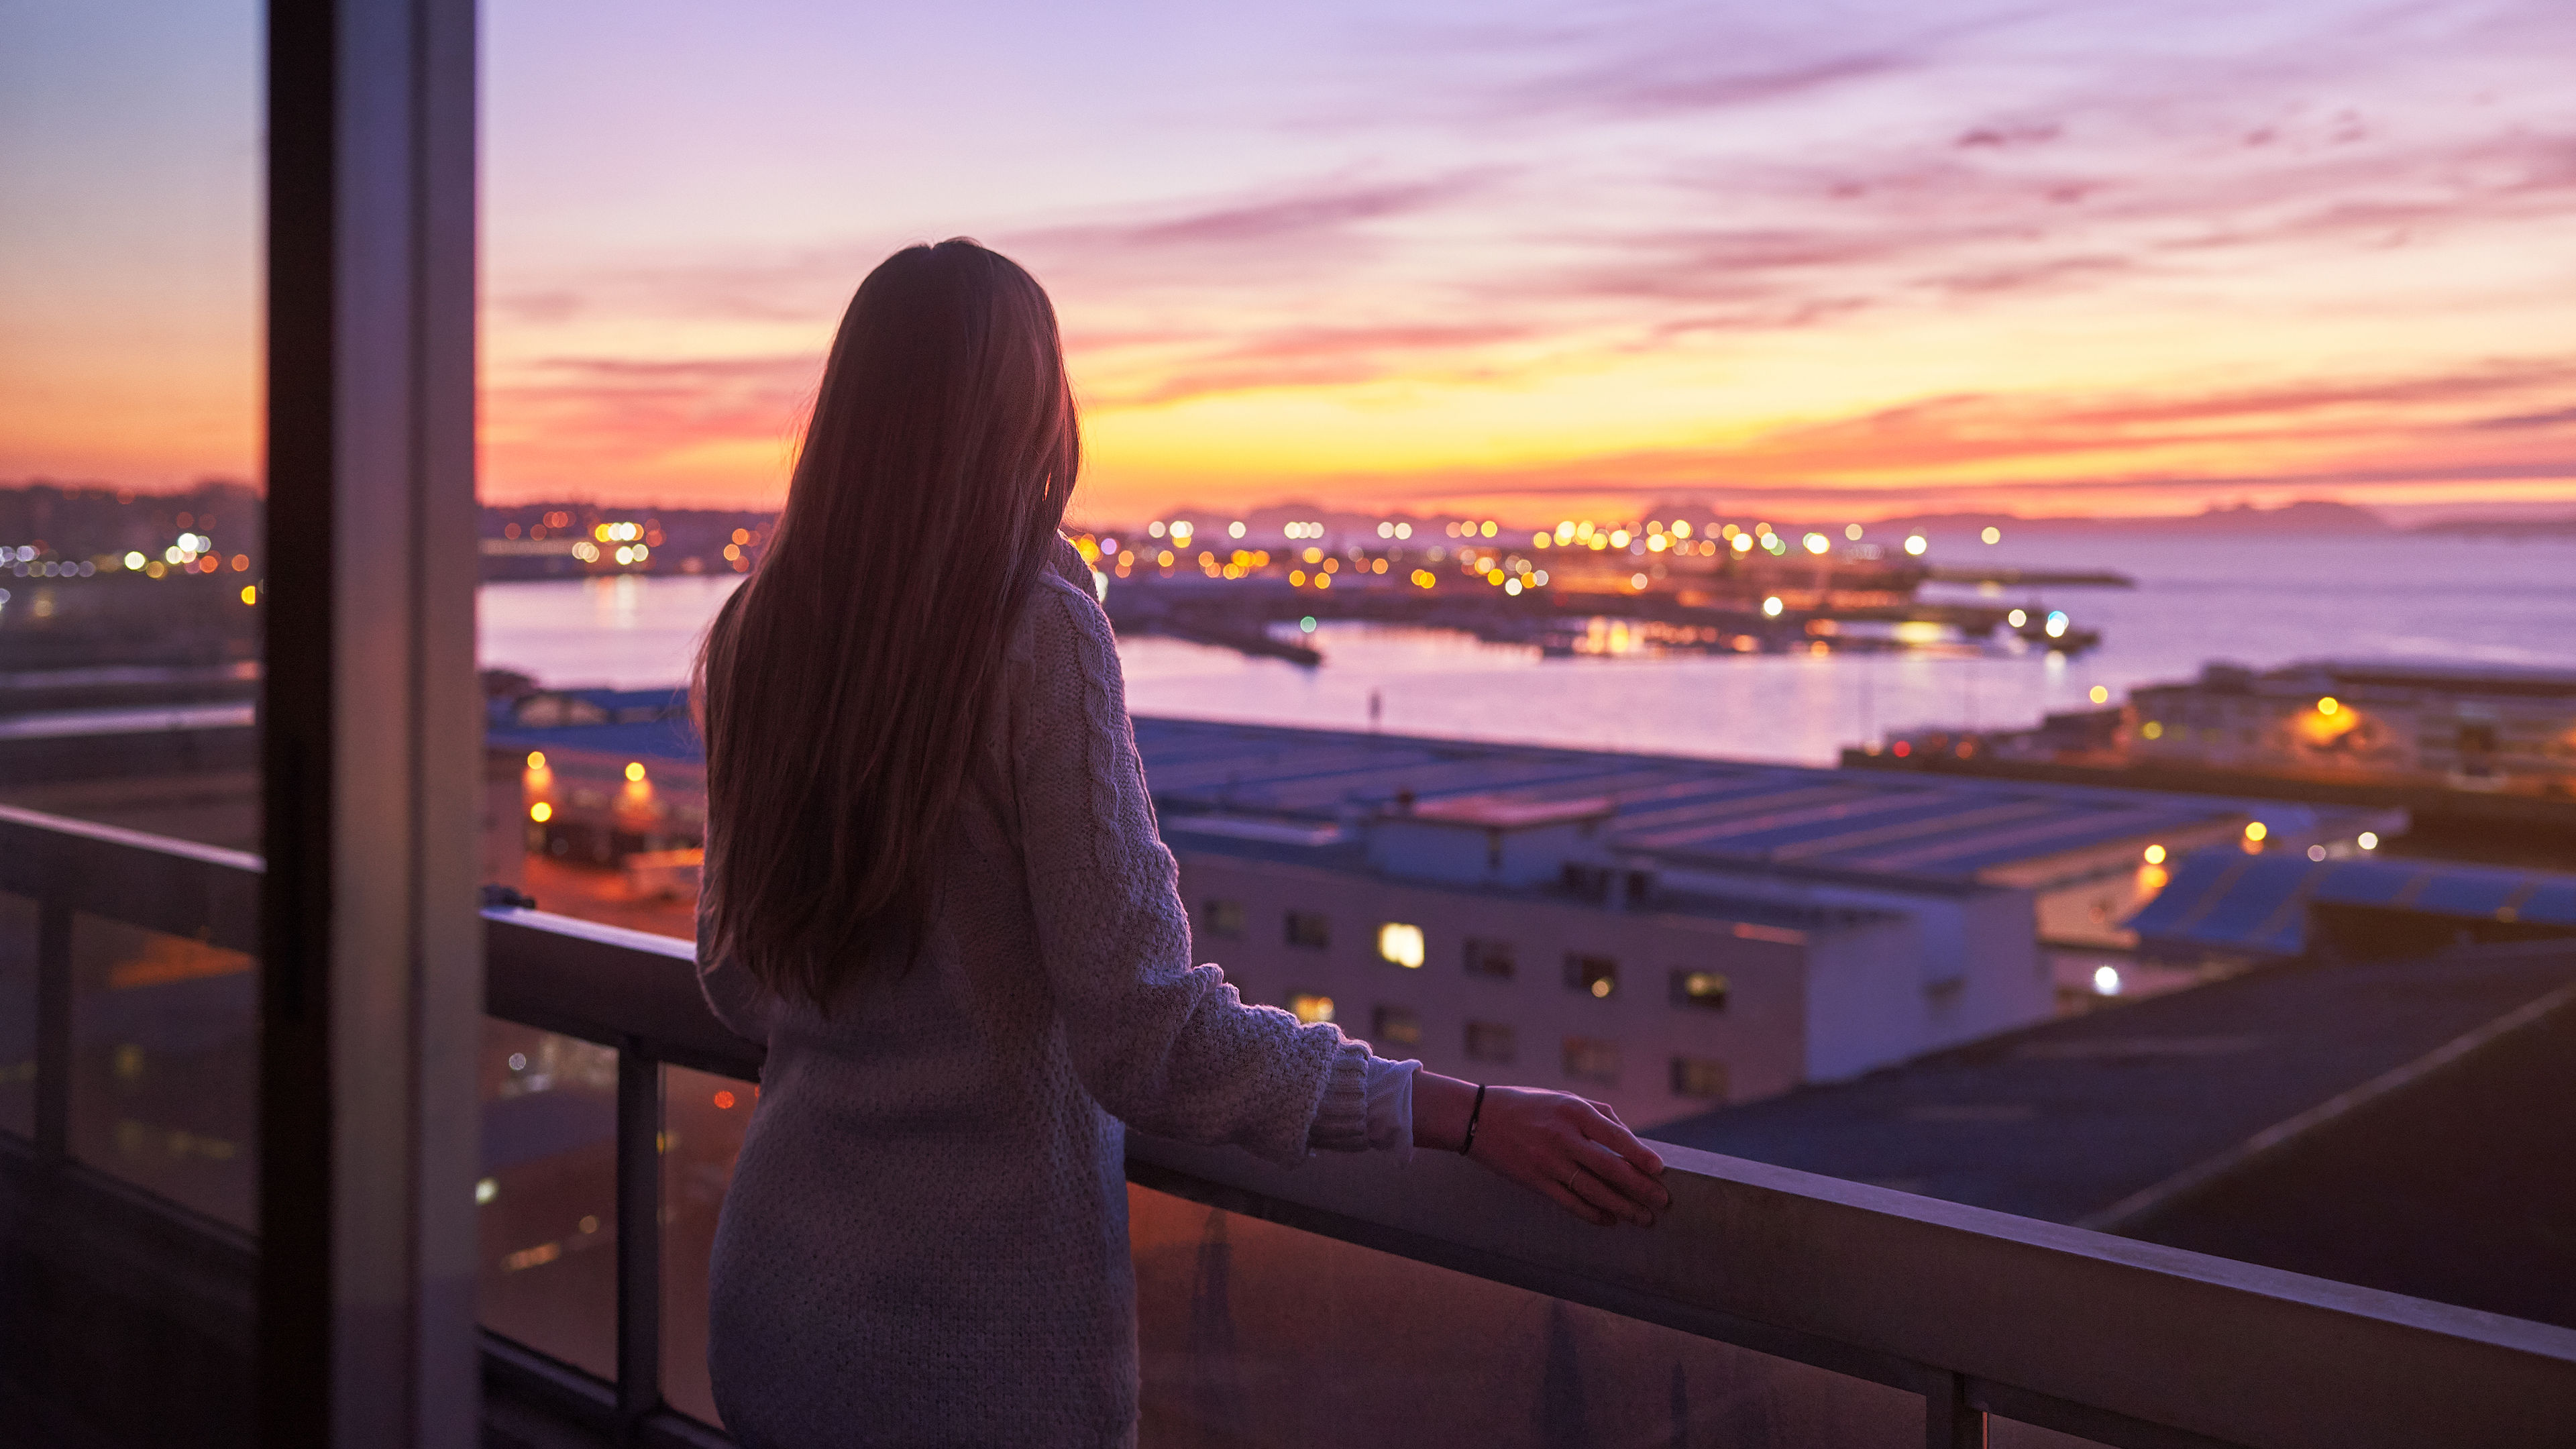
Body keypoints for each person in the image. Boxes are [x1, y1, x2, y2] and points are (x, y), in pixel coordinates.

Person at [692, 239, 1670, 1448]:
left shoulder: (756, 631)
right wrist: (1460, 1115)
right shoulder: (1037, 635)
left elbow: (736, 979)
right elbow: (1147, 1038)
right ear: (1032, 412)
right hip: (968, 1352)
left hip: (780, 1301)